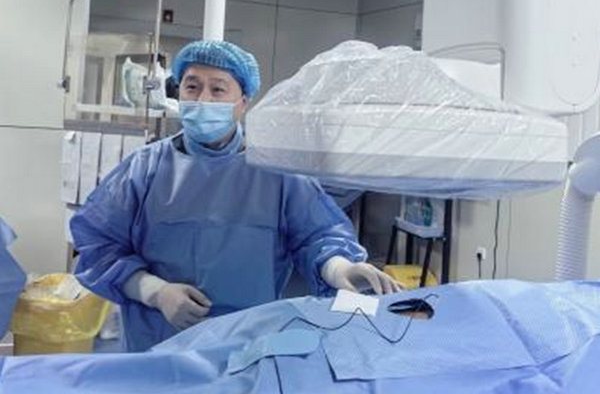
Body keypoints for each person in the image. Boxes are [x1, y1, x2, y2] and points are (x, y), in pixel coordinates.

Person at [71, 40, 400, 352]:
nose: (203, 99)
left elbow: (317, 236)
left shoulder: (277, 172)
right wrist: (155, 292)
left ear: (243, 101)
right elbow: (99, 247)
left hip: (247, 342)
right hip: (157, 342)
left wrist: (339, 268)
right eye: (192, 87)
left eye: (218, 89)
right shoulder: (143, 169)